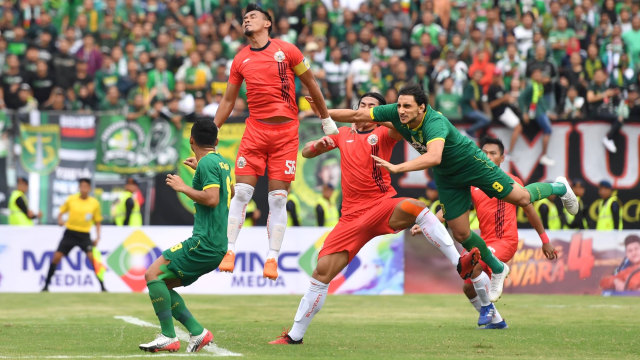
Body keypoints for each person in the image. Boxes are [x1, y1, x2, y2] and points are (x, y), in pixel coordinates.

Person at [320, 84, 579, 302]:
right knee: (462, 233)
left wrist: (400, 166)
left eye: (407, 107)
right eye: (399, 106)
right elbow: (357, 116)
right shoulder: (397, 113)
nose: (401, 111)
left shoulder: (435, 122)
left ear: (422, 107)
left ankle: (559, 186)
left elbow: (433, 157)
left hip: (471, 165)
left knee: (521, 198)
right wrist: (320, 112)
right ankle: (498, 268)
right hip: (448, 177)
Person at [270, 92, 479, 345]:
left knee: (414, 207)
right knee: (321, 273)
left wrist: (384, 116)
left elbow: (398, 126)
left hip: (381, 205)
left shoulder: (384, 132)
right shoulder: (342, 134)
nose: (366, 110)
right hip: (350, 218)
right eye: (363, 106)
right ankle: (294, 336)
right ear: (356, 108)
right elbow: (306, 151)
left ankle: (460, 263)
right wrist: (318, 146)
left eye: (373, 108)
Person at [213, 4, 338, 280]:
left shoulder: (288, 50)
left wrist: (326, 118)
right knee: (242, 193)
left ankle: (272, 258)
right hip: (255, 132)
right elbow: (228, 100)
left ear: (267, 23)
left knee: (278, 199)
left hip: (285, 135)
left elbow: (311, 83)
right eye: (244, 18)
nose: (247, 20)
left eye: (253, 16)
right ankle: (229, 249)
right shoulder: (240, 59)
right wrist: (213, 129)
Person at [412, 136, 557, 329]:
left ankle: (487, 307)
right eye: (484, 153)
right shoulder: (472, 184)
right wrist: (428, 224)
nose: (488, 156)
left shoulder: (511, 182)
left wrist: (544, 240)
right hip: (484, 241)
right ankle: (497, 321)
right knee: (467, 287)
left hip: (505, 241)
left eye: (493, 153)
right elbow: (451, 209)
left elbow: (529, 210)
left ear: (502, 158)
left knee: (474, 266)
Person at [139, 119, 231, 353]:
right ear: (216, 141)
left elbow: (211, 198)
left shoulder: (208, 163)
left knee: (152, 273)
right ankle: (198, 332)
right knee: (162, 284)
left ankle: (168, 336)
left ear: (191, 141)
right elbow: (222, 192)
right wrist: (199, 168)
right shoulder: (220, 162)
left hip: (204, 242)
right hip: (216, 244)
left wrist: (182, 187)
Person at [42, 178, 105, 292]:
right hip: (70, 233)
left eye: (86, 186)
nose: (84, 189)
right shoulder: (71, 199)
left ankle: (102, 286)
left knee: (93, 259)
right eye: (82, 186)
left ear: (89, 188)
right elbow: (61, 212)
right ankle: (46, 286)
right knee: (56, 257)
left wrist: (98, 236)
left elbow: (98, 221)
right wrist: (60, 220)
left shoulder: (94, 203)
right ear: (79, 188)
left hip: (84, 234)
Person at [519, 68, 555, 167]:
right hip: (537, 113)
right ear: (532, 77)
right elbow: (521, 98)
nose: (538, 76)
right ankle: (544, 155)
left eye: (540, 74)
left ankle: (544, 155)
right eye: (536, 74)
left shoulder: (539, 87)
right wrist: (524, 112)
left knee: (548, 130)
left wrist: (547, 112)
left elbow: (541, 101)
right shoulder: (531, 86)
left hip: (541, 111)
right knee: (548, 130)